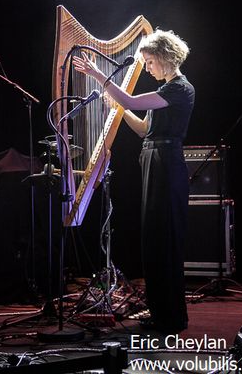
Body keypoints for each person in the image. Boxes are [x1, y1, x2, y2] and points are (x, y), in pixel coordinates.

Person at [72, 28, 195, 334]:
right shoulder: (166, 89)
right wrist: (120, 108)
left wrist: (99, 75)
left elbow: (131, 99)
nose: (148, 67)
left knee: (165, 240)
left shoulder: (179, 88)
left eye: (150, 61)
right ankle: (159, 312)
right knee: (153, 240)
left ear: (165, 57)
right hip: (153, 160)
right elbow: (143, 129)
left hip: (166, 164)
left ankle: (171, 318)